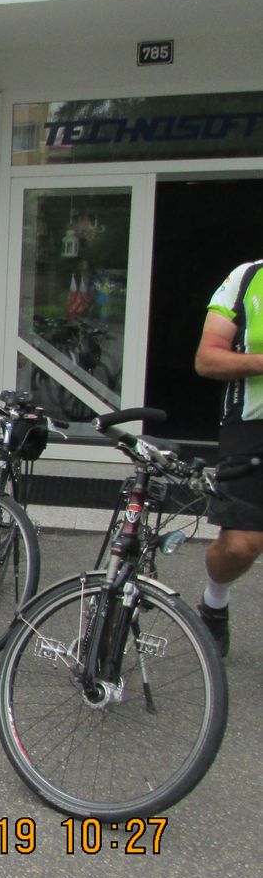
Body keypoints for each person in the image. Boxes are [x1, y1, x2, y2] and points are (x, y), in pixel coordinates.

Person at [192, 257, 263, 658]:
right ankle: (214, 601)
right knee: (239, 546)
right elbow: (207, 359)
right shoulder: (248, 277)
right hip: (252, 423)